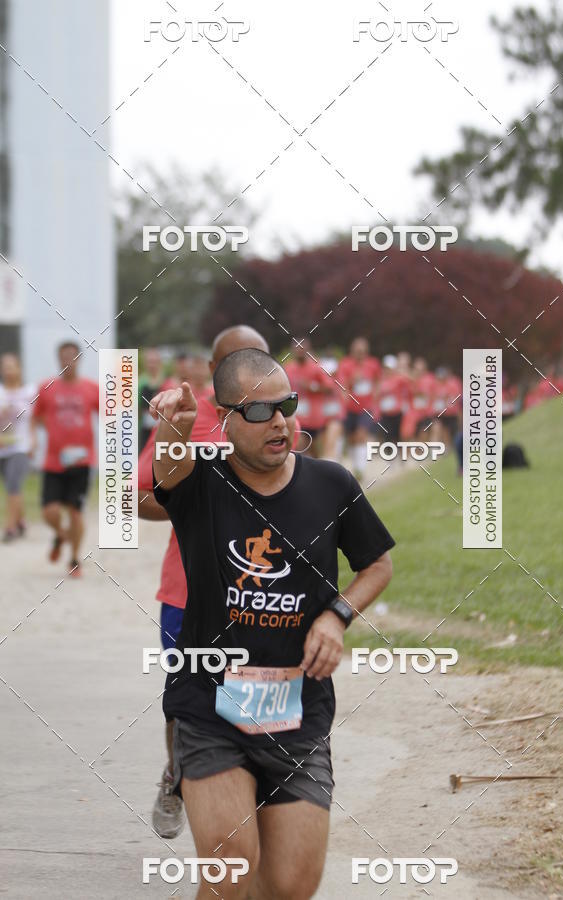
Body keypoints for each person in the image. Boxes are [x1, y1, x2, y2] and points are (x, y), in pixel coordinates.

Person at [150, 348, 394, 899]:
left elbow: (377, 564)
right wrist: (171, 427)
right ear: (226, 419)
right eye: (259, 412)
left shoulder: (332, 484)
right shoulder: (202, 483)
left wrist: (336, 617)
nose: (279, 421)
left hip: (298, 713)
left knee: (289, 887)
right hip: (210, 704)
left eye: (286, 405)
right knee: (232, 866)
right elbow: (167, 471)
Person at [137, 326, 270, 839]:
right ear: (215, 372)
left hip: (263, 593)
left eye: (256, 357)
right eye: (236, 359)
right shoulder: (184, 423)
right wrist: (190, 511)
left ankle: (253, 794)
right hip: (187, 592)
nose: (249, 368)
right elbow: (134, 498)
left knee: (258, 695)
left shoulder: (278, 420)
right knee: (184, 697)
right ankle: (176, 777)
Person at [31, 342, 99, 576]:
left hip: (82, 460)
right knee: (49, 512)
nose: (67, 361)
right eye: (63, 357)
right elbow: (35, 416)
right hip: (54, 460)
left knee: (75, 512)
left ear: (79, 359)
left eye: (72, 357)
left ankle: (74, 559)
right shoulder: (46, 387)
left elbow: (109, 415)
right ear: (58, 359)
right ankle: (61, 535)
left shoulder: (91, 388)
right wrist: (35, 439)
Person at [0, 353, 36, 541]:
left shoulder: (29, 392)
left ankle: (10, 528)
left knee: (14, 484)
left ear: (19, 369)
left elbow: (35, 419)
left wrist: (34, 441)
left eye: (11, 366)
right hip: (2, 447)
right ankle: (21, 520)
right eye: (4, 367)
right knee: (10, 486)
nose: (8, 371)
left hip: (21, 446)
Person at [337, 337, 381, 480]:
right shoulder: (345, 364)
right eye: (357, 351)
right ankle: (355, 465)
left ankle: (360, 471)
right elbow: (342, 385)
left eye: (363, 351)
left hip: (367, 407)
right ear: (352, 351)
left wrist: (376, 399)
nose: (360, 354)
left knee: (361, 435)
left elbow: (377, 381)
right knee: (352, 439)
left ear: (366, 351)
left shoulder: (373, 364)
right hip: (350, 408)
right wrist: (352, 380)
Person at [138, 348, 164, 449]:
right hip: (145, 430)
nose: (152, 365)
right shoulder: (140, 383)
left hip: (163, 430)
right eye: (149, 362)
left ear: (159, 363)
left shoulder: (166, 381)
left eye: (154, 362)